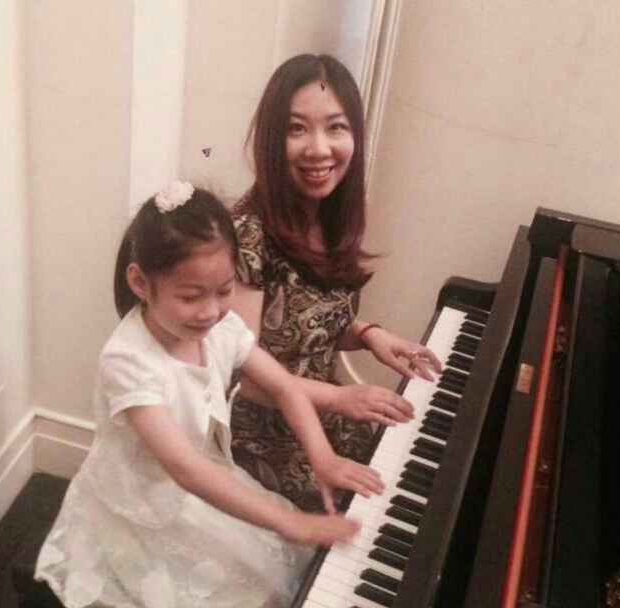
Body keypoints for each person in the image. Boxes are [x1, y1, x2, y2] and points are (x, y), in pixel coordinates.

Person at [34, 181, 392, 608]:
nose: (210, 311)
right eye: (190, 296)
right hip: (145, 505)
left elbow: (283, 386)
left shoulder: (222, 328)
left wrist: (324, 458)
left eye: (224, 291)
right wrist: (287, 522)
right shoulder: (127, 362)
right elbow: (185, 469)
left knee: (275, 568)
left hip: (204, 477)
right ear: (141, 283)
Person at [231, 53, 441, 512]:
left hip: (322, 413)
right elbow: (238, 372)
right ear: (271, 138)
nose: (319, 149)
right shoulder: (245, 236)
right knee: (368, 510)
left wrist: (369, 335)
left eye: (336, 128)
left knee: (414, 476)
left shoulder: (328, 215)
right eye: (297, 129)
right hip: (261, 437)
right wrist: (341, 398)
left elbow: (307, 325)